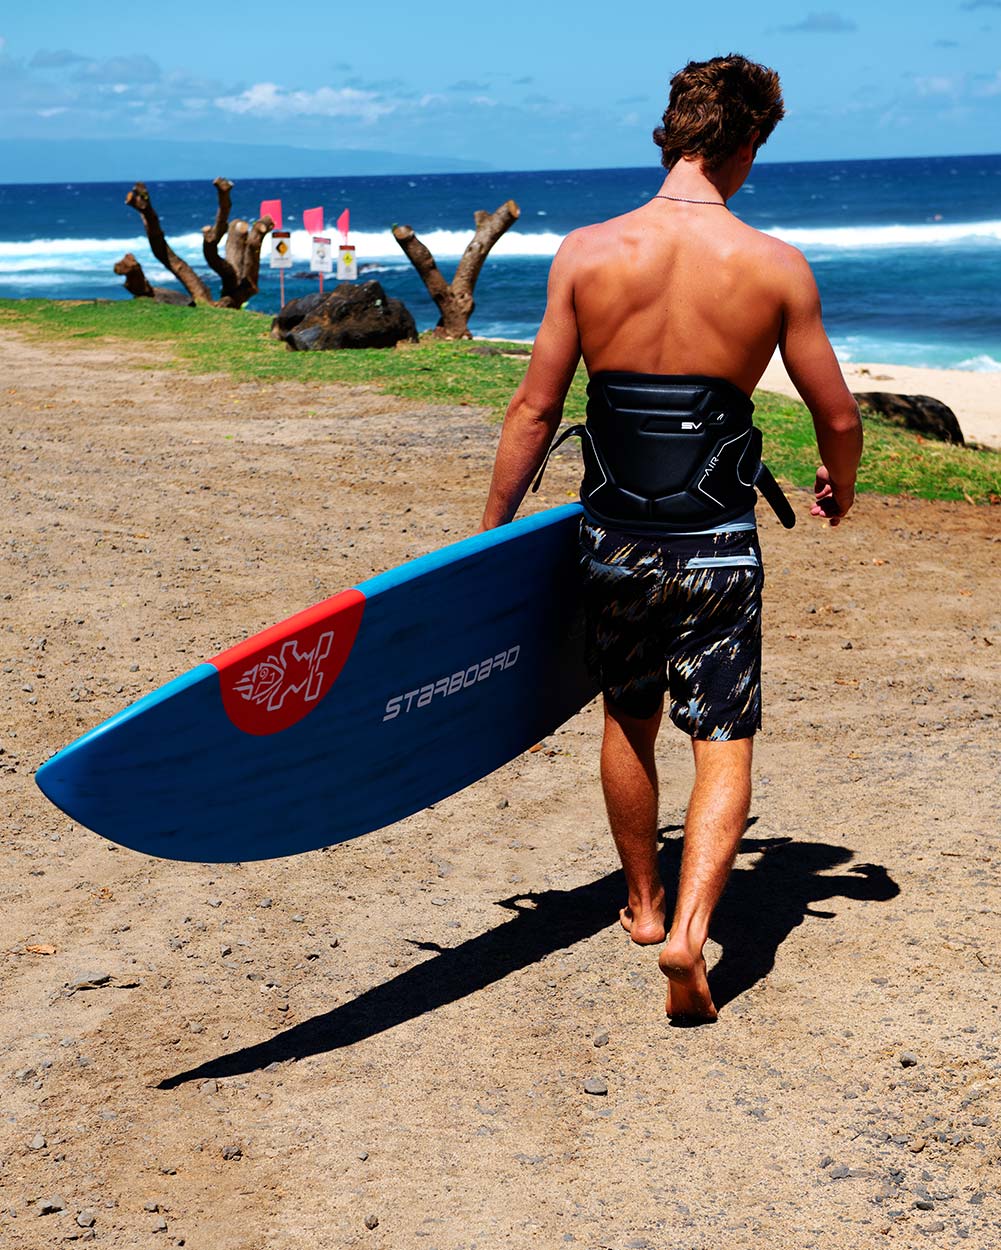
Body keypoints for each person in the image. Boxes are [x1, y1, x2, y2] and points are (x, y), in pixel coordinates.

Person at [480, 53, 863, 1022]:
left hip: (611, 538)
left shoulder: (584, 252)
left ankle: (644, 906)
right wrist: (837, 483)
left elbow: (533, 409)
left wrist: (485, 542)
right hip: (717, 546)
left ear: (669, 135)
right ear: (743, 145)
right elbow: (838, 415)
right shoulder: (771, 264)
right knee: (721, 741)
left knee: (626, 715)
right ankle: (696, 933)